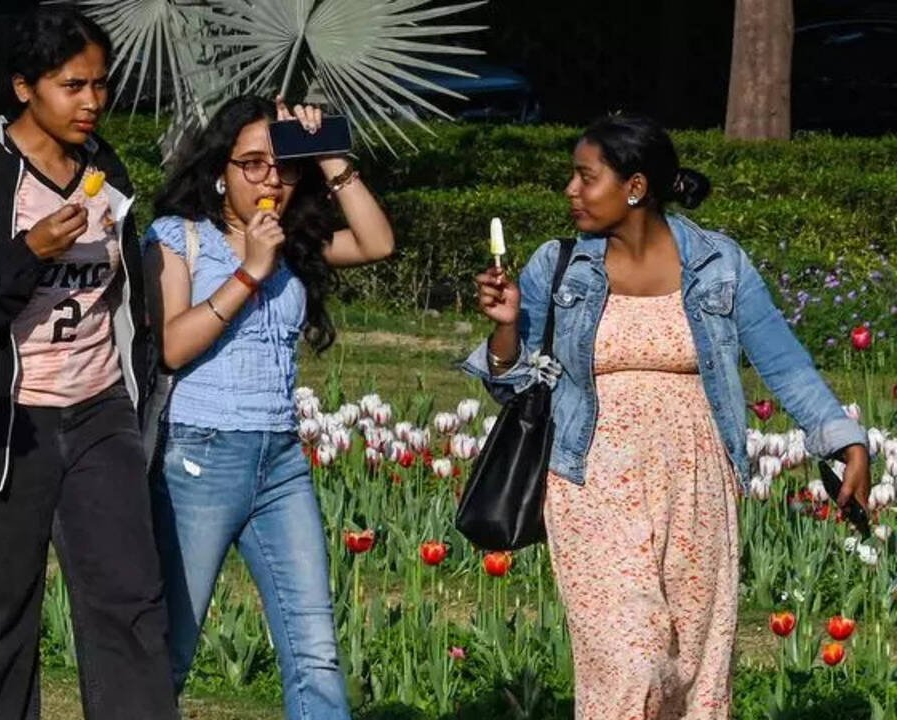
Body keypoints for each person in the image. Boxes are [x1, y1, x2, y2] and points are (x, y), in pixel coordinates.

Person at [464, 113, 871, 719]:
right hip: (591, 483)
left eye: (585, 177)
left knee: (694, 672)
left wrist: (842, 440)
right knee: (631, 664)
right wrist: (504, 328)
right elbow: (511, 382)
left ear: (635, 187)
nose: (570, 190)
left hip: (697, 483)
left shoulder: (719, 263)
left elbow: (784, 362)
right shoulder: (558, 265)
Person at [0, 5, 176, 719]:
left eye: (100, 84)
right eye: (72, 86)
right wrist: (29, 253)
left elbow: (121, 293)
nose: (92, 102)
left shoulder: (105, 168)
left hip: (99, 411)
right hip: (0, 423)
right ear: (24, 87)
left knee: (129, 602)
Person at [143, 94, 394, 719]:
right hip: (199, 457)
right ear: (219, 169)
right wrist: (250, 271)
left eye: (284, 167)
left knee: (315, 650)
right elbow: (172, 346)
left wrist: (328, 152)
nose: (269, 181)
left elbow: (377, 242)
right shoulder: (179, 237)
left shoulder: (295, 242)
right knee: (174, 646)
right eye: (251, 164)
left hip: (279, 459)